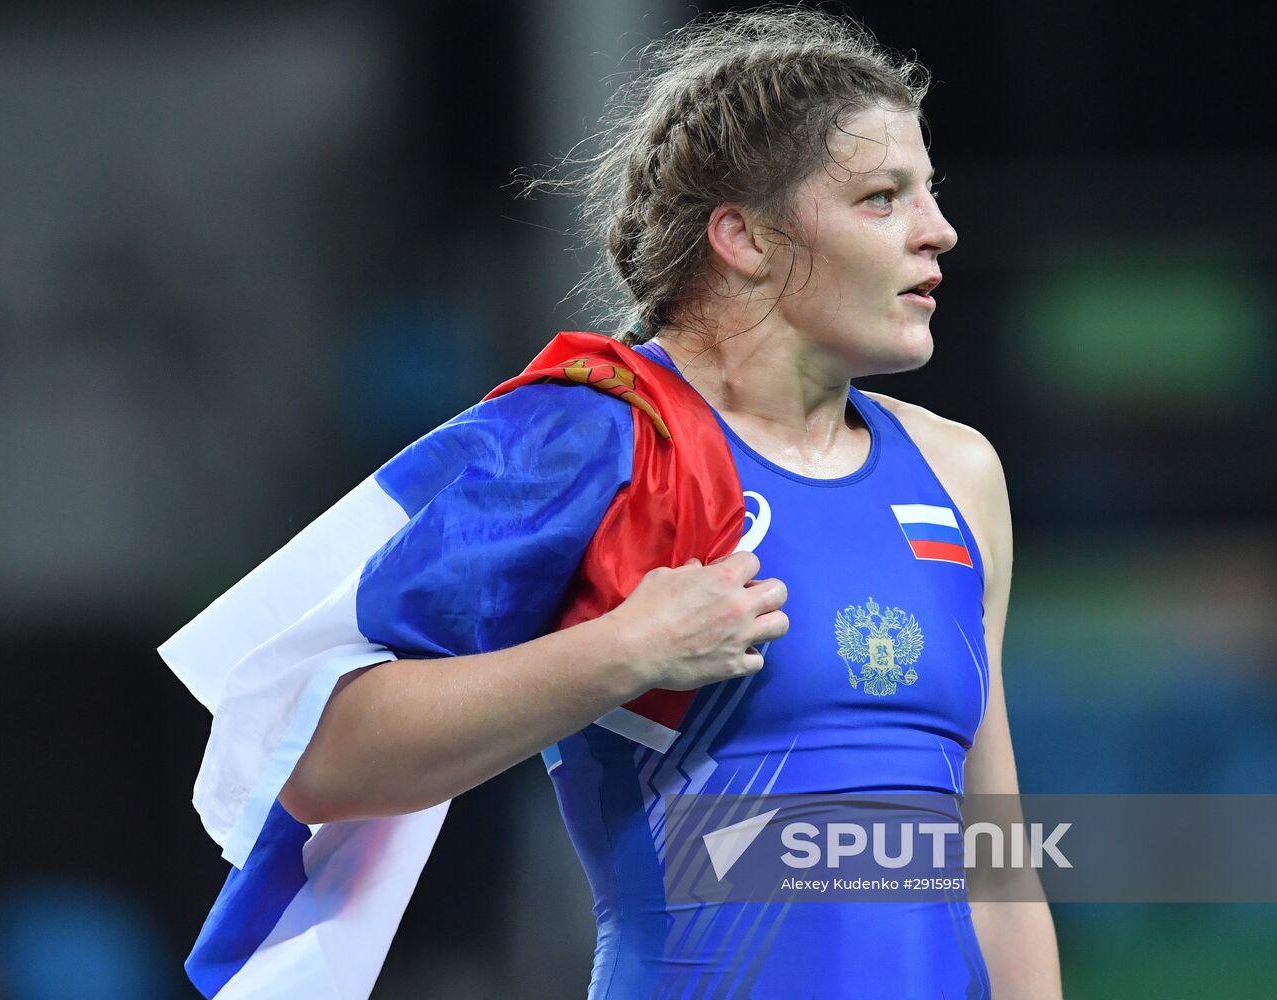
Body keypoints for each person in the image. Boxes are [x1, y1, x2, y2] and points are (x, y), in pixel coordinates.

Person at [169, 8, 1062, 999]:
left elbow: (996, 864)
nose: (937, 230)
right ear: (743, 237)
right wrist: (622, 650)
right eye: (881, 198)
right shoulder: (602, 439)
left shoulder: (956, 472)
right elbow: (319, 762)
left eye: (927, 193)